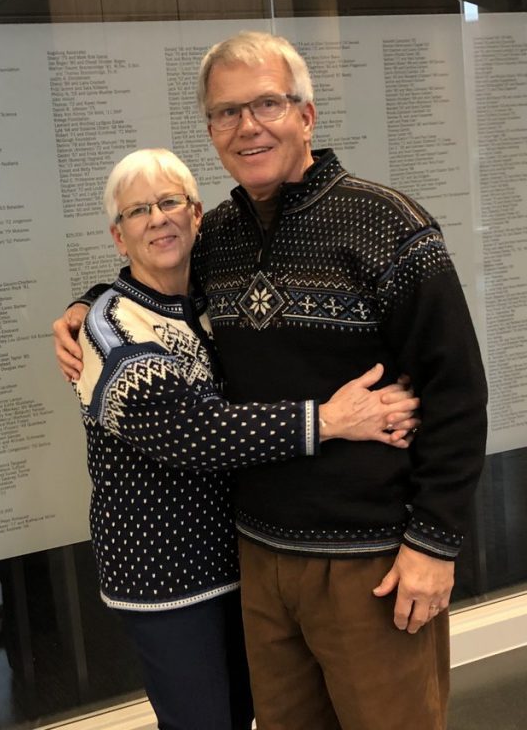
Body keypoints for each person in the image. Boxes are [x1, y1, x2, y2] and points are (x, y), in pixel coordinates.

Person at [54, 32, 488, 730]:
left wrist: (433, 546)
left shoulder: (388, 225)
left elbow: (458, 394)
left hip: (368, 560)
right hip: (257, 558)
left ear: (306, 115)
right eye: (227, 112)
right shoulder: (217, 236)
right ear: (211, 131)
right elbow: (148, 284)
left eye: (266, 104)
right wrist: (85, 307)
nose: (247, 126)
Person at [72, 147, 420, 730]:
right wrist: (332, 419)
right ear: (118, 236)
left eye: (169, 202)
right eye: (137, 211)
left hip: (243, 558)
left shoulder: (212, 301)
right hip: (167, 580)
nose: (157, 218)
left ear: (197, 215)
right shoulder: (107, 329)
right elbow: (193, 434)